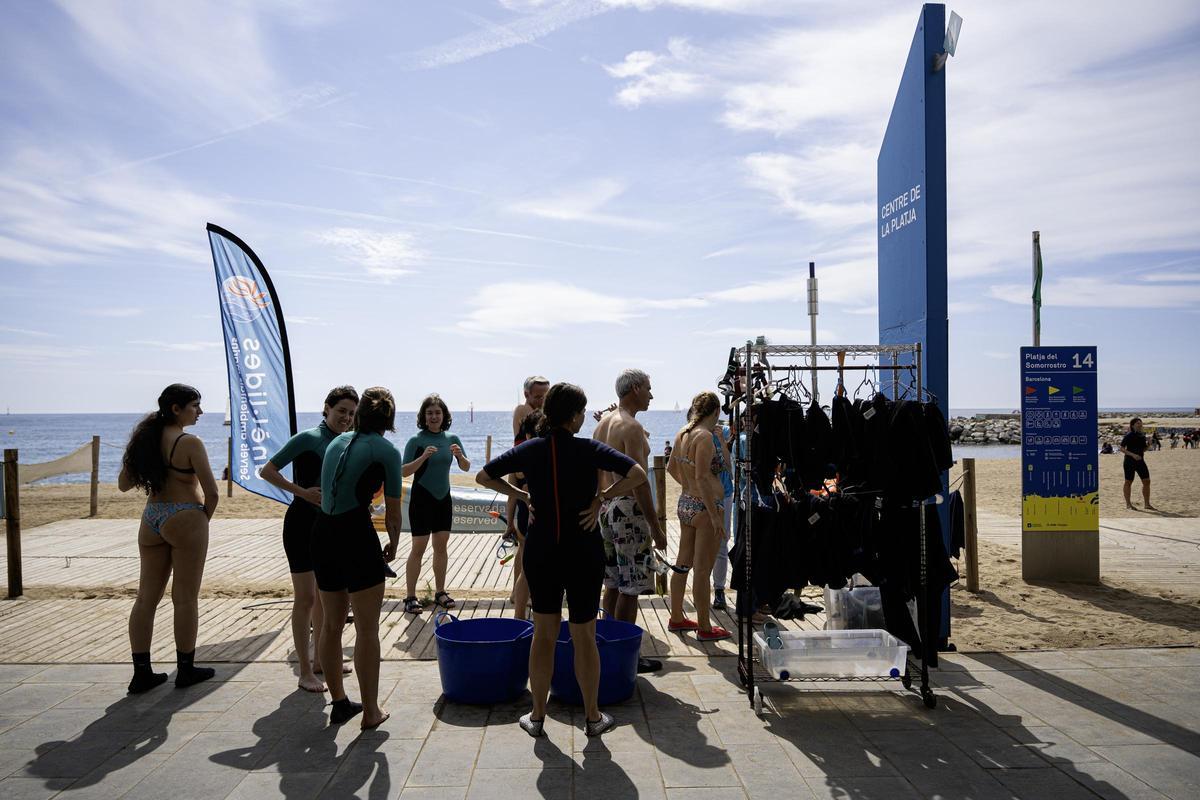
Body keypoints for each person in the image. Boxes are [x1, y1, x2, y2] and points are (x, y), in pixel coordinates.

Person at [477, 382, 647, 739]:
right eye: (582, 412)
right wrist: (602, 498)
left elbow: (483, 476)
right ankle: (592, 717)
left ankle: (537, 716)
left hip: (542, 550)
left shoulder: (531, 449)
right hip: (582, 549)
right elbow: (637, 473)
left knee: (544, 633)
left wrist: (521, 495)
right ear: (574, 416)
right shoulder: (589, 449)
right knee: (584, 635)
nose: (584, 417)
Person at [118, 384, 218, 694]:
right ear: (176, 409)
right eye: (195, 406)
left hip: (152, 518)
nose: (200, 412)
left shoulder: (146, 439)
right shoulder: (190, 442)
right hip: (185, 516)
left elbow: (123, 484)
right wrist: (201, 520)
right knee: (185, 597)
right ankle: (185, 670)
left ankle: (141, 673)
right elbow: (212, 492)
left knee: (146, 598)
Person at [313, 387, 403, 728]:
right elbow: (393, 514)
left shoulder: (337, 442)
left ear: (360, 413)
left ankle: (338, 702)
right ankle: (370, 711)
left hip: (322, 534)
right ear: (389, 419)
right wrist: (392, 544)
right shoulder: (386, 451)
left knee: (331, 624)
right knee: (367, 629)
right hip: (355, 536)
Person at [262, 385, 359, 693]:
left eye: (352, 413)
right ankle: (305, 671)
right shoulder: (308, 438)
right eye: (341, 411)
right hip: (301, 524)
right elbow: (268, 470)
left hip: (330, 527)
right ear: (327, 409)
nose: (346, 417)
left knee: (325, 598)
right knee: (305, 598)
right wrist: (302, 492)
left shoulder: (347, 441)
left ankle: (320, 660)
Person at [593, 369, 667, 674]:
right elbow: (639, 481)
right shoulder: (631, 427)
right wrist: (655, 524)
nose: (651, 394)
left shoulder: (603, 425)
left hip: (607, 507)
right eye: (648, 388)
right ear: (635, 389)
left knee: (612, 582)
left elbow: (598, 470)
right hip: (628, 509)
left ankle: (604, 646)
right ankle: (626, 656)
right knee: (631, 586)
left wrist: (600, 500)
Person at [666, 391, 731, 641]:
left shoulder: (683, 433)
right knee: (702, 570)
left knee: (683, 564)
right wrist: (715, 516)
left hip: (686, 504)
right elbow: (704, 476)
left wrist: (689, 488)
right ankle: (705, 627)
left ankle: (676, 617)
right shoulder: (703, 437)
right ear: (715, 412)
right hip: (705, 508)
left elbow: (672, 467)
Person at [401, 394, 470, 614]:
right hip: (421, 499)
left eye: (437, 413)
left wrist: (460, 456)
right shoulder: (416, 440)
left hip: (443, 500)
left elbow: (467, 467)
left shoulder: (452, 439)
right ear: (423, 416)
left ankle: (440, 592)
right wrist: (422, 458)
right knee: (418, 549)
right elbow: (403, 471)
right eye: (429, 413)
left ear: (444, 416)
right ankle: (410, 596)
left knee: (441, 548)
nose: (433, 416)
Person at [505, 376, 548, 616]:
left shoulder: (539, 416)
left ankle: (517, 594)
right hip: (527, 483)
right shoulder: (523, 410)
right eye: (538, 396)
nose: (542, 401)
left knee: (524, 551)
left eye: (545, 396)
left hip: (525, 485)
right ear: (527, 396)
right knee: (528, 552)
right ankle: (522, 599)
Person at [710, 420, 734, 611]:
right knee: (700, 544)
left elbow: (729, 468)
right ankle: (701, 588)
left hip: (724, 493)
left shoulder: (724, 432)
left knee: (721, 542)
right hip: (702, 494)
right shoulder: (694, 433)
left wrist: (721, 440)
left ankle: (719, 589)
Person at [1119, 417, 1155, 511]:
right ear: (1133, 425)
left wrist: (1149, 444)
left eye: (1141, 423)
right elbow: (1122, 449)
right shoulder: (1129, 435)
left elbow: (1143, 450)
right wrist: (1133, 455)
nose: (1140, 425)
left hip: (1140, 461)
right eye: (1138, 423)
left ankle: (1147, 504)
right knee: (1128, 482)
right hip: (1129, 462)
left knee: (1147, 481)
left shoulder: (1142, 436)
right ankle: (1128, 504)